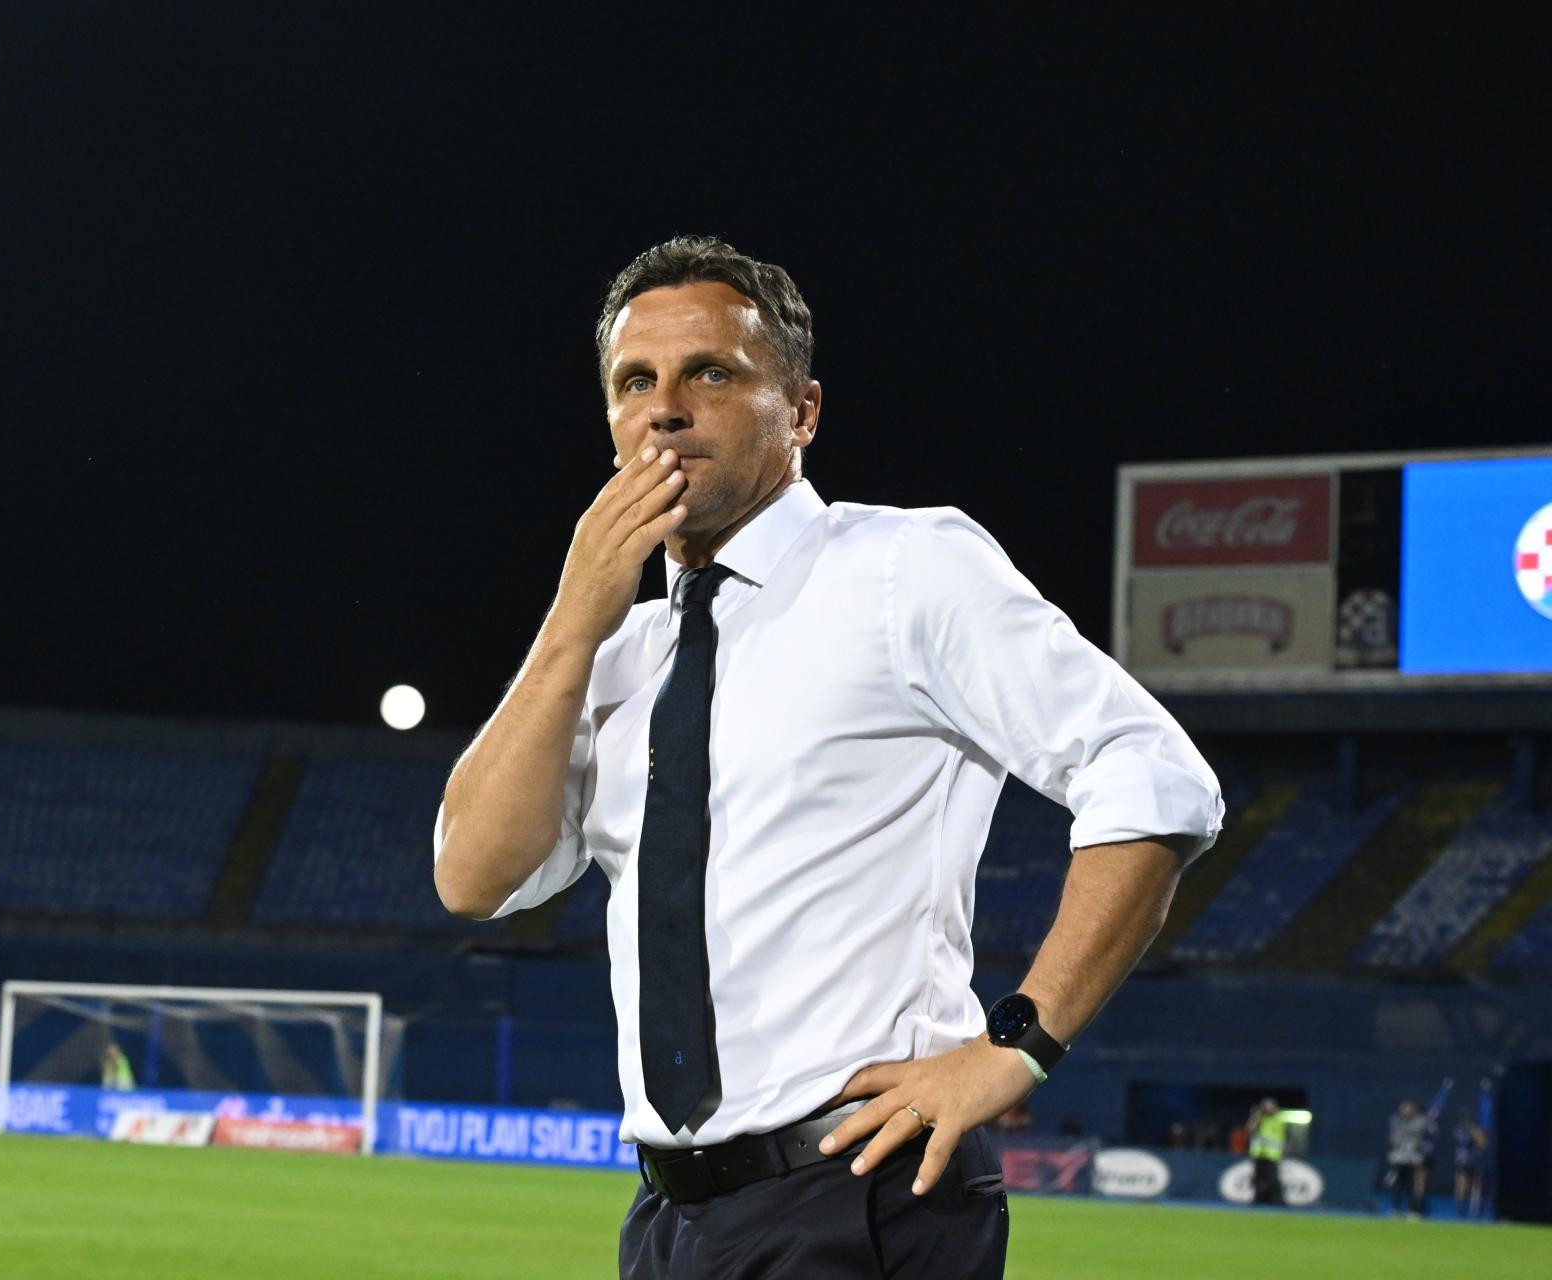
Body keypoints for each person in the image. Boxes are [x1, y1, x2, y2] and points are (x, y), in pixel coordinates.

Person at [433, 236, 1222, 1278]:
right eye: (635, 382)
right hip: (669, 1219)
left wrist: (1015, 1047)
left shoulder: (901, 570)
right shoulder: (614, 653)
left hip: (858, 1196)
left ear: (802, 411)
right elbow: (474, 877)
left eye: (711, 374)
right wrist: (575, 616)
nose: (665, 410)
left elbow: (1153, 775)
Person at [1385, 1098, 1436, 1219]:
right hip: (1399, 1157)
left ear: (1414, 1109)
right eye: (1403, 1107)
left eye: (1408, 1107)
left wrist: (1430, 1119)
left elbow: (1433, 1132)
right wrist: (1392, 1151)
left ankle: (1414, 1210)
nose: (1405, 1110)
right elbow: (1391, 1137)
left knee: (1416, 1185)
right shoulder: (1396, 1120)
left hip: (1415, 1158)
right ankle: (1396, 1209)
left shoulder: (1422, 1120)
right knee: (1397, 1184)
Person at [1247, 1098, 1287, 1206]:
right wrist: (1255, 1116)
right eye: (1265, 1106)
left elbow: (1284, 1138)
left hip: (1272, 1155)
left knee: (1273, 1179)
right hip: (1259, 1153)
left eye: (1269, 1106)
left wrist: (1282, 1154)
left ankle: (1278, 1202)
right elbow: (1250, 1130)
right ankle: (1258, 1201)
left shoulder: (1279, 1119)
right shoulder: (1260, 1118)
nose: (1267, 1108)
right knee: (1258, 1179)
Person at [1452, 1111, 1487, 1218]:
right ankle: (1461, 1208)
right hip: (1463, 1161)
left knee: (1477, 1186)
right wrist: (1475, 1135)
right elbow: (1465, 1140)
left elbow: (1483, 1144)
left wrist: (1478, 1135)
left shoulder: (1477, 1129)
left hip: (1476, 1161)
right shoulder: (1460, 1130)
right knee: (1462, 1185)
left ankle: (1476, 1209)